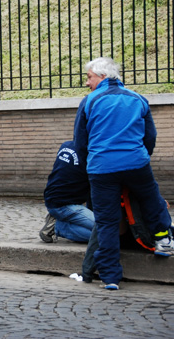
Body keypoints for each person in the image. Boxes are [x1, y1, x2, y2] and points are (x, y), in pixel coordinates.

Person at [73, 57, 174, 290]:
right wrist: (141, 157)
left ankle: (110, 278)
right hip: (135, 163)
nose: (87, 82)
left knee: (107, 221)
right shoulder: (138, 98)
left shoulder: (90, 101)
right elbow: (150, 136)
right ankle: (163, 239)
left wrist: (91, 162)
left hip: (102, 169)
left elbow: (80, 141)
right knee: (151, 199)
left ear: (102, 76)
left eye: (89, 77)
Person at [39, 140, 95, 243]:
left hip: (51, 199)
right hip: (63, 206)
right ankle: (58, 227)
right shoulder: (92, 155)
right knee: (106, 234)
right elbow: (94, 190)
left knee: (104, 232)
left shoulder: (66, 145)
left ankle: (58, 219)